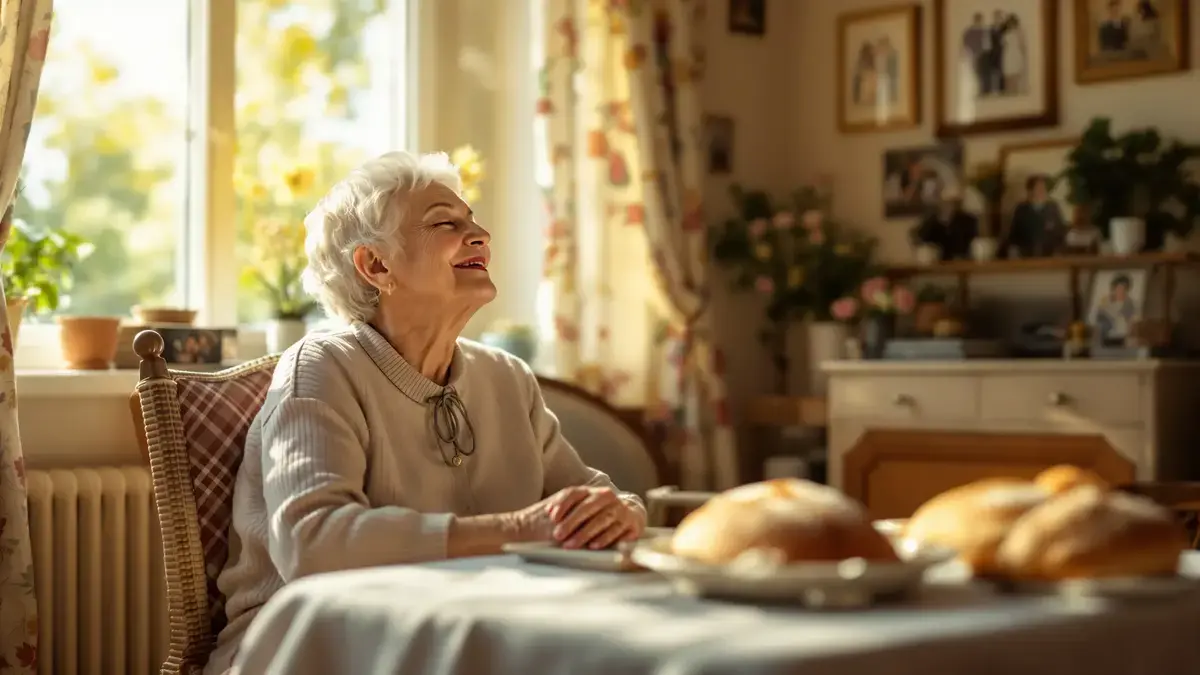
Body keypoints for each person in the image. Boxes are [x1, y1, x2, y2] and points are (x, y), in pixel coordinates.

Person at [204, 151, 647, 675]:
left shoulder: (506, 377)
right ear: (376, 266)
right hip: (315, 646)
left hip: (466, 633)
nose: (480, 234)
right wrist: (516, 528)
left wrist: (622, 513)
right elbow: (313, 542)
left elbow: (597, 495)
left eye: (474, 221)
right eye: (446, 223)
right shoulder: (322, 367)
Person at [1006, 174, 1066, 258]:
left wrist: (1058, 252)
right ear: (1030, 191)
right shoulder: (1021, 210)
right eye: (1039, 188)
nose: (1042, 191)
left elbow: (1060, 233)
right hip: (1025, 257)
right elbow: (1013, 235)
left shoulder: (1053, 209)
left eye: (1044, 188)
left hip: (1050, 257)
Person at [1094, 274, 1137, 346]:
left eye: (1123, 289)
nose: (1120, 291)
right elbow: (1098, 319)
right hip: (1106, 337)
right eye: (1118, 288)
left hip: (1122, 337)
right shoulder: (1106, 302)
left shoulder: (1129, 304)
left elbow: (1130, 321)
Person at [1001, 13, 1027, 93]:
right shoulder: (1005, 33)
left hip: (1016, 54)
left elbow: (1022, 45)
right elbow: (1003, 45)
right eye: (1009, 22)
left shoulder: (1019, 32)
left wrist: (1023, 55)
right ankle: (1009, 92)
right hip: (1008, 54)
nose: (1011, 24)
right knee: (1008, 75)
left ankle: (1015, 92)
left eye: (1012, 22)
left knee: (1016, 74)